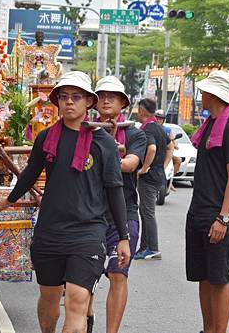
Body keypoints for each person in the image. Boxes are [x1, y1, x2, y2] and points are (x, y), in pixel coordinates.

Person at [0, 71, 131, 333]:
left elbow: (115, 190)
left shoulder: (103, 143)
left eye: (76, 97)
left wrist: (123, 237)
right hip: (50, 232)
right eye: (64, 97)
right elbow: (31, 173)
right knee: (49, 301)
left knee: (78, 299)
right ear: (57, 101)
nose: (69, 102)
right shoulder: (46, 138)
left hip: (88, 233)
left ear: (88, 102)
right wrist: (10, 199)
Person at [185, 70, 229, 333]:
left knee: (219, 278)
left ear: (214, 94)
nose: (201, 95)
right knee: (204, 276)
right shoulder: (210, 123)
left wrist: (224, 218)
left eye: (204, 91)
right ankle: (207, 329)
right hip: (199, 209)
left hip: (219, 213)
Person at [89, 76, 147, 333]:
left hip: (124, 215)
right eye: (101, 95)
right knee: (83, 276)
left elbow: (131, 164)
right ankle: (85, 320)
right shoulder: (84, 130)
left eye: (113, 96)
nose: (106, 100)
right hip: (89, 214)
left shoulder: (135, 133)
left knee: (117, 274)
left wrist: (111, 152)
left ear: (123, 102)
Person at [134, 98, 172, 260]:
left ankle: (153, 248)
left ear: (142, 110)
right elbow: (170, 146)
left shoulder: (148, 129)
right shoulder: (159, 127)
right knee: (144, 211)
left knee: (147, 213)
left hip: (149, 177)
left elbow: (152, 148)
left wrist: (145, 168)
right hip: (158, 174)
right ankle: (144, 247)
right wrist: (162, 165)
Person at [155, 110, 181, 192]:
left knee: (178, 160)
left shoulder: (167, 130)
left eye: (161, 119)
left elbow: (173, 140)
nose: (159, 120)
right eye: (157, 118)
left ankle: (171, 180)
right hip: (154, 153)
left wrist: (175, 145)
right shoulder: (151, 128)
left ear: (163, 120)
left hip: (166, 154)